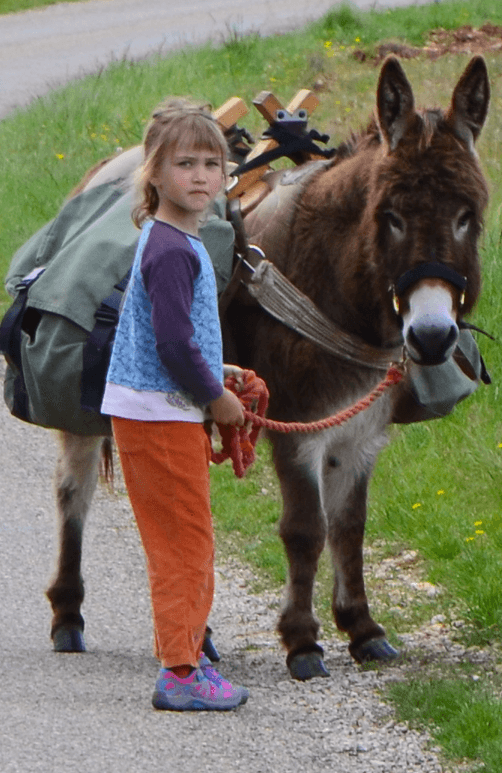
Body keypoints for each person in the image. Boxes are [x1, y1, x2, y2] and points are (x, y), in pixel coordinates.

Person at [101, 97, 248, 711]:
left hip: (153, 409)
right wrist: (218, 399)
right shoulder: (171, 250)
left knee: (181, 542)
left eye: (212, 164)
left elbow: (174, 334)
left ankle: (182, 660)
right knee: (186, 546)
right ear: (154, 174)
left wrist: (219, 370)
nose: (200, 177)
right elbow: (171, 340)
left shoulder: (171, 239)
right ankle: (181, 673)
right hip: (161, 416)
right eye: (184, 163)